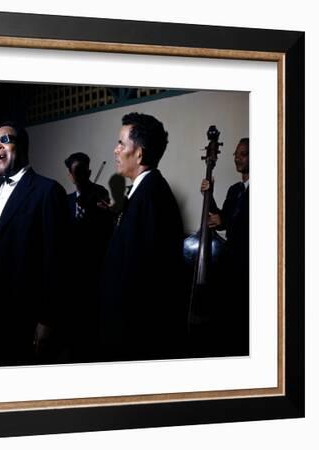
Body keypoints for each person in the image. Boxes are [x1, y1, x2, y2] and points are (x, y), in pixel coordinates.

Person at [99, 112, 187, 361]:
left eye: (121, 144)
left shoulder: (151, 196)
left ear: (139, 153)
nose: (116, 150)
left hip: (134, 335)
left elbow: (145, 275)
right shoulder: (144, 192)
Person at [0, 121, 68, 366]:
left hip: (24, 313)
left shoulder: (47, 191)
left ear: (23, 147)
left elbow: (56, 261)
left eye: (5, 140)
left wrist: (47, 320)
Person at [200, 138, 249, 355]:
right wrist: (208, 195)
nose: (237, 158)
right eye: (236, 154)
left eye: (244, 154)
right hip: (232, 260)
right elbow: (220, 220)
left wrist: (225, 221)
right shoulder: (234, 189)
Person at [64, 152, 114, 362]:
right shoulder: (65, 201)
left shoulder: (99, 193)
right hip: (72, 270)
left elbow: (107, 226)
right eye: (76, 172)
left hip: (96, 267)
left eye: (84, 172)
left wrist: (102, 210)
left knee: (94, 320)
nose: (80, 176)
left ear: (90, 172)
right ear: (70, 175)